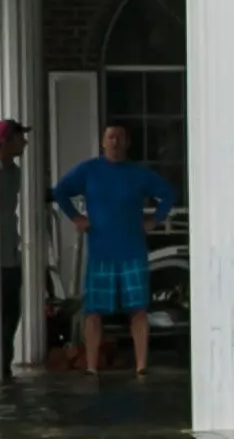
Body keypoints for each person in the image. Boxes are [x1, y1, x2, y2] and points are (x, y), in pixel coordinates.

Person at [49, 123, 176, 374]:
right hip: (100, 252)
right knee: (94, 311)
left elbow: (169, 194)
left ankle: (141, 366)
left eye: (119, 137)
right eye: (110, 137)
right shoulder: (89, 170)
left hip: (132, 251)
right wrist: (76, 217)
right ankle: (92, 367)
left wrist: (155, 219)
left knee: (138, 310)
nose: (114, 142)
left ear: (127, 142)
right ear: (103, 142)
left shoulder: (139, 174)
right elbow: (60, 191)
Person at [0, 118, 30, 362]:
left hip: (10, 252)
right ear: (5, 141)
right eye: (19, 137)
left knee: (12, 311)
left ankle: (5, 364)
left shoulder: (14, 172)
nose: (24, 142)